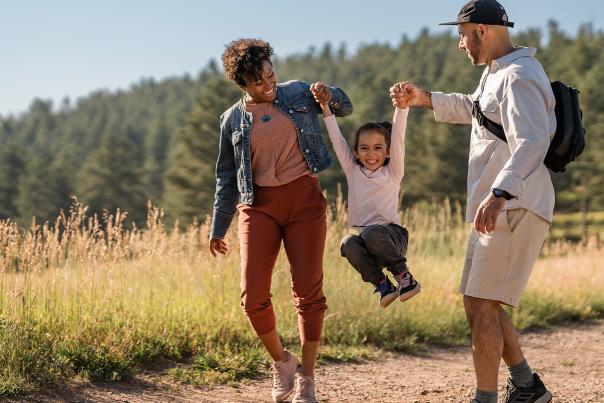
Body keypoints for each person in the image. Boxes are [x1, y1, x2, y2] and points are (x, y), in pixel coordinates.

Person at [390, 1, 554, 402]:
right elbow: (477, 110)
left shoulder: (519, 75)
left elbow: (533, 141)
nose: (461, 44)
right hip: (502, 205)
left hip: (513, 205)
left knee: (482, 306)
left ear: (482, 30)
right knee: (481, 302)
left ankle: (486, 398)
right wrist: (423, 98)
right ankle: (527, 386)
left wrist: (499, 193)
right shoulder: (496, 75)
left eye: (463, 35)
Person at [209, 38, 352, 403]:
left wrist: (328, 95)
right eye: (258, 82)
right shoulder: (231, 120)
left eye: (270, 74)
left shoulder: (298, 93)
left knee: (308, 292)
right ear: (241, 85)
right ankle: (282, 363)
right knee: (252, 296)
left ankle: (307, 376)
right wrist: (218, 226)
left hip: (304, 199)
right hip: (258, 207)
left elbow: (345, 106)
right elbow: (226, 177)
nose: (268, 84)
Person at [310, 82, 420, 308]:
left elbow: (398, 136)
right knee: (347, 243)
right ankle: (383, 285)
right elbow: (337, 140)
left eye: (378, 148)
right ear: (356, 153)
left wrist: (402, 106)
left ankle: (405, 277)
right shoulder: (353, 171)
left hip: (392, 237)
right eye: (364, 148)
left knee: (371, 233)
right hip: (369, 243)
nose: (371, 154)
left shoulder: (392, 171)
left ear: (388, 152)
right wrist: (325, 106)